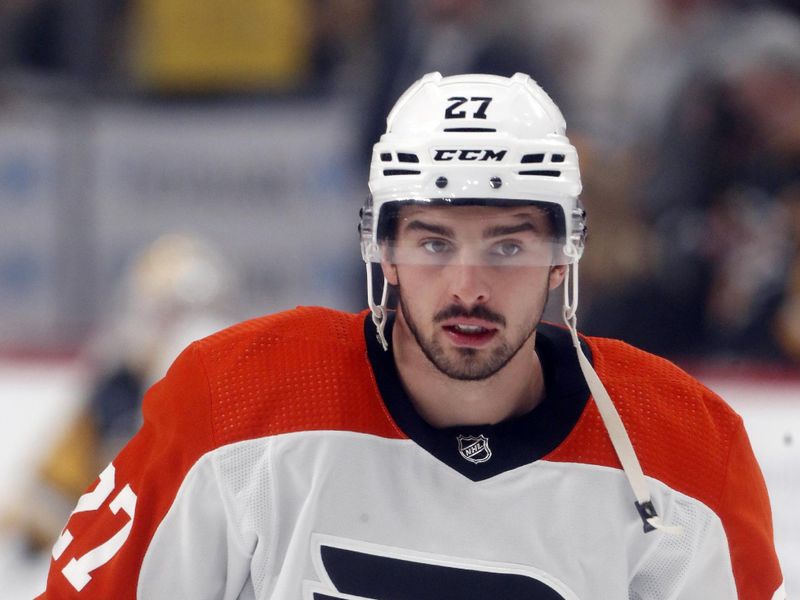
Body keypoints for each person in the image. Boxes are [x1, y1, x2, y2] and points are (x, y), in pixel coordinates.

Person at [38, 72, 784, 599]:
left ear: (563, 258)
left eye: (507, 245)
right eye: (432, 244)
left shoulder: (686, 448)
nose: (467, 286)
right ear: (383, 253)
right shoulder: (235, 402)